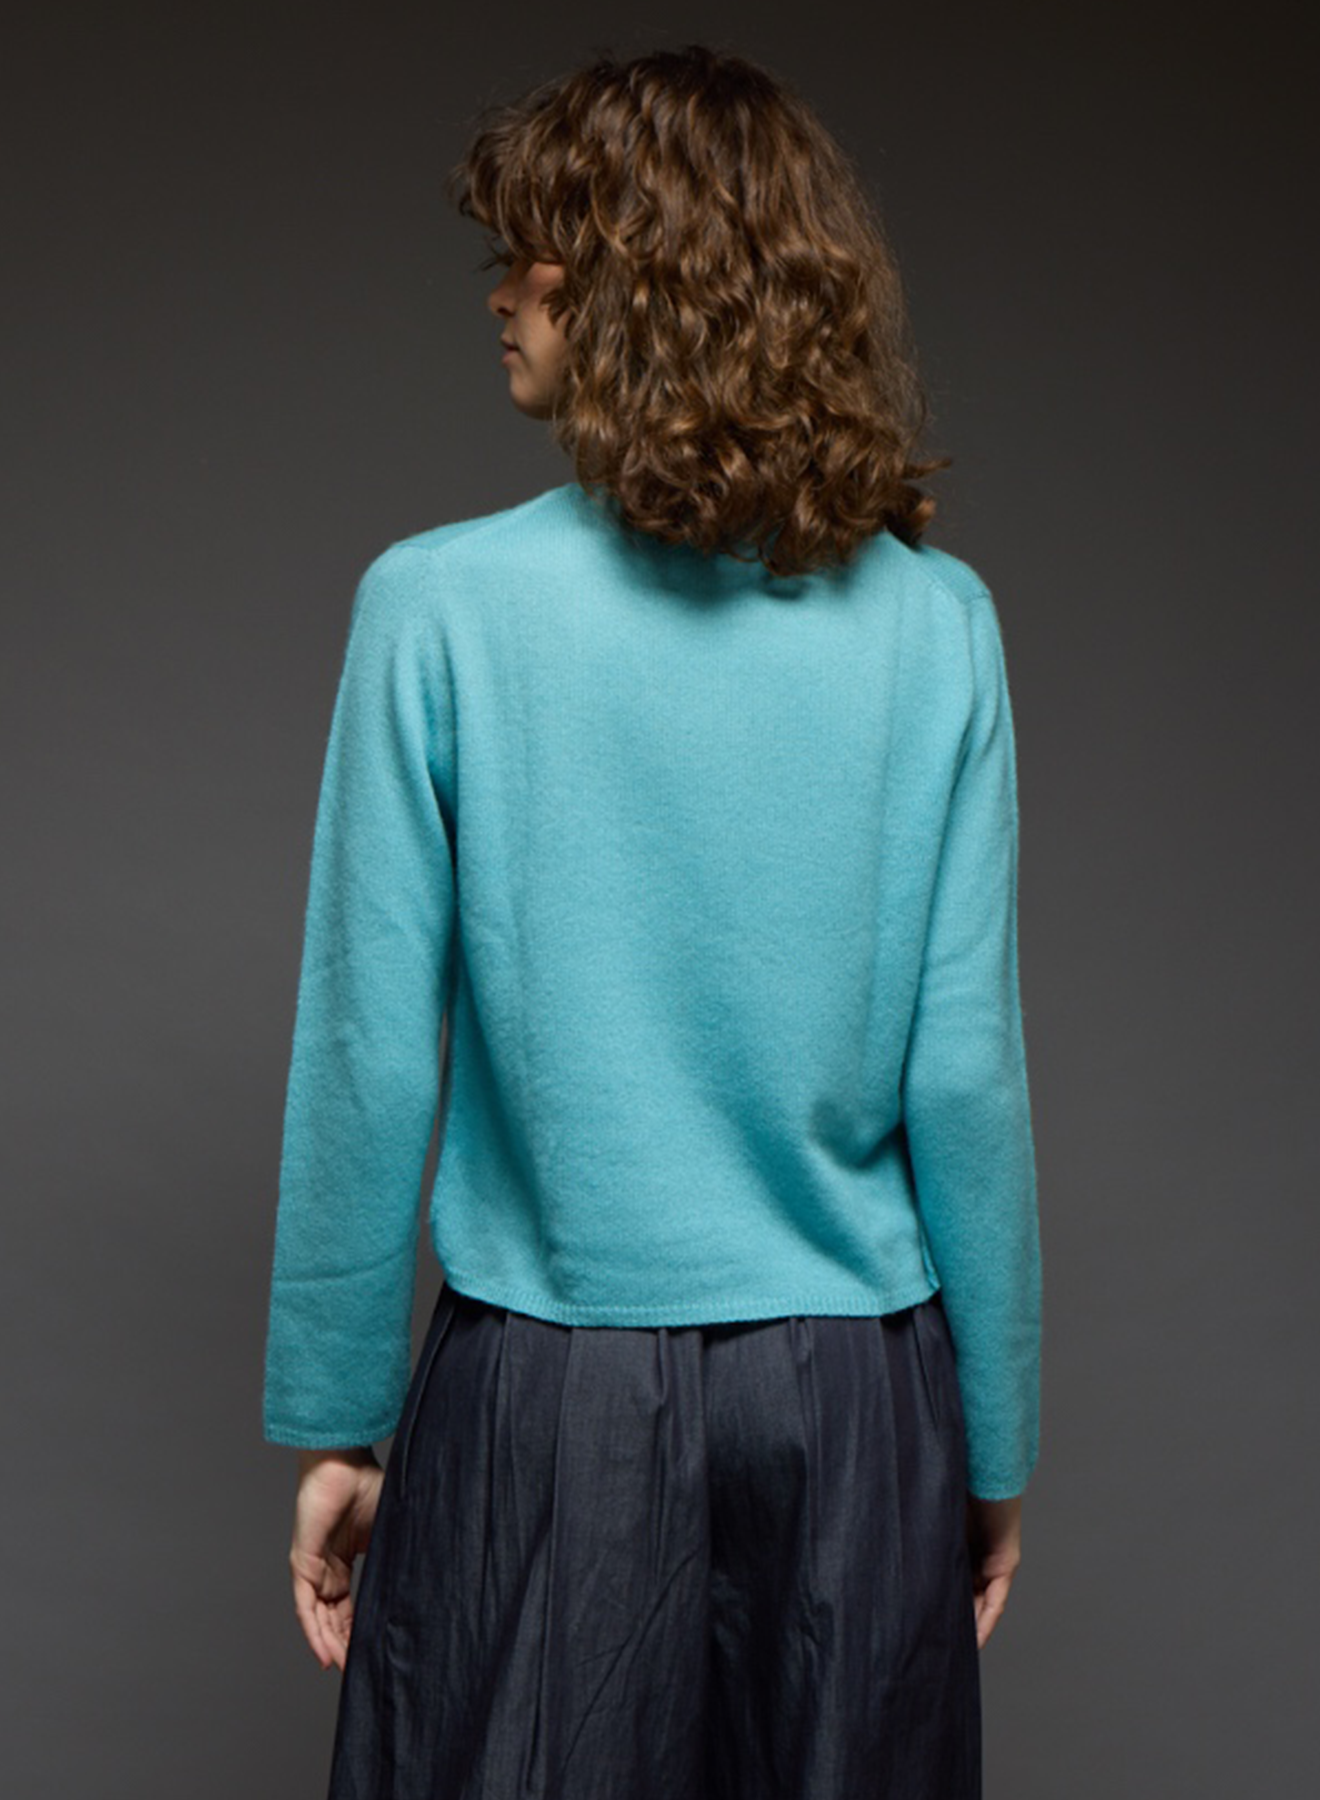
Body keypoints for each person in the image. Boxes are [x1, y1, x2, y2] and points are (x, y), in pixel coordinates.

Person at [262, 41, 1042, 1800]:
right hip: (859, 1402)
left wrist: (336, 1422)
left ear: (633, 284)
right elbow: (967, 1077)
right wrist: (991, 1445)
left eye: (530, 258)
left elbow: (371, 1049)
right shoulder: (939, 628)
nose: (498, 297)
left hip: (546, 1396)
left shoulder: (437, 609)